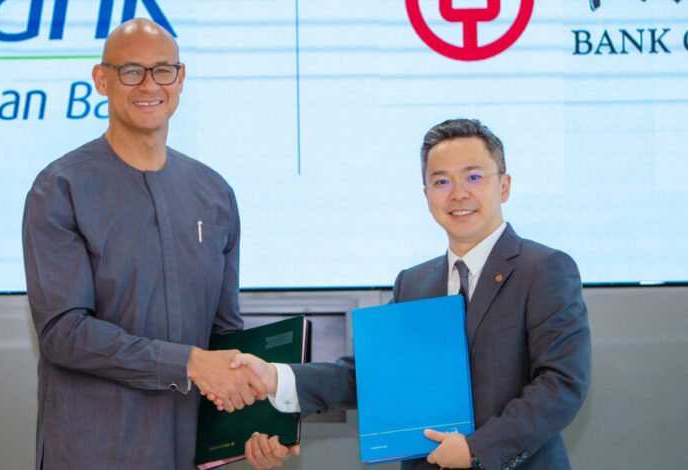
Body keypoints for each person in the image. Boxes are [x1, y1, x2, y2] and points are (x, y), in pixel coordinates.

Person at [232, 119, 592, 469]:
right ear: (426, 195)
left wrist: (476, 450)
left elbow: (560, 385)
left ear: (504, 186)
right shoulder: (414, 284)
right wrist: (276, 378)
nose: (458, 193)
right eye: (441, 181)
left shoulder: (544, 269)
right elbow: (372, 375)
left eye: (473, 177)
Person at [22, 18, 265, 470]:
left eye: (163, 70)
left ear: (181, 78)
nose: (149, 85)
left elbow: (226, 334)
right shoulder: (60, 188)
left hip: (187, 450)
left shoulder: (214, 193)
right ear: (102, 80)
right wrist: (188, 363)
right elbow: (63, 333)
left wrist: (256, 427)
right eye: (131, 71)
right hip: (93, 451)